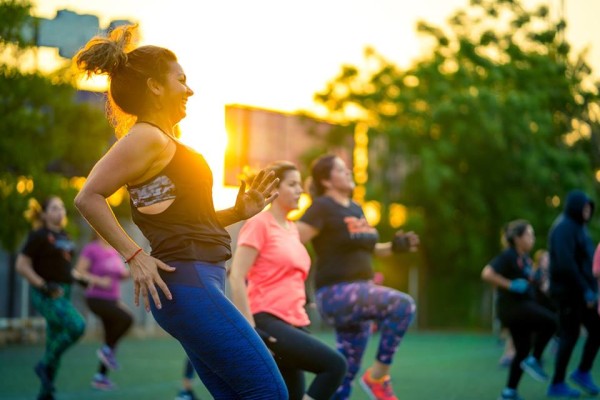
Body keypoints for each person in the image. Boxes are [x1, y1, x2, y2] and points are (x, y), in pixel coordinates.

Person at [72, 24, 287, 399]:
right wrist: (135, 256)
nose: (190, 90)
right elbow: (88, 196)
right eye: (181, 80)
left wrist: (239, 211)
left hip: (197, 284)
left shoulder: (164, 141)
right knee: (270, 393)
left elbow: (186, 223)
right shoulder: (147, 136)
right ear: (155, 87)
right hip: (190, 284)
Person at [296, 154, 418, 400]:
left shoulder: (355, 208)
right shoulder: (322, 207)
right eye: (341, 169)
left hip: (360, 296)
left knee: (343, 378)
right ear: (326, 180)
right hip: (336, 294)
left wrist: (395, 247)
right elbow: (291, 240)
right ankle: (377, 378)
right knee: (403, 305)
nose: (348, 172)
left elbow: (370, 248)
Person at [229, 161, 348, 400]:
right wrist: (252, 331)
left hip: (296, 322)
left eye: (299, 185)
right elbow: (236, 275)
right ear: (274, 189)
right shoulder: (259, 223)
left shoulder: (292, 229)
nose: (299, 190)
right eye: (292, 184)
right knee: (335, 366)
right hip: (268, 321)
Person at [15, 196, 86, 400]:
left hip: (65, 292)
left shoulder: (65, 236)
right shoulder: (38, 235)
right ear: (44, 214)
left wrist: (80, 278)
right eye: (54, 208)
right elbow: (21, 266)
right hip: (47, 294)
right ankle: (44, 364)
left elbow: (65, 268)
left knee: (54, 340)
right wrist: (44, 285)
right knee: (77, 326)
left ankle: (45, 394)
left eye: (61, 207)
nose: (60, 211)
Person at [481, 219, 558, 400]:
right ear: (517, 238)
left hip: (521, 309)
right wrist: (509, 284)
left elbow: (531, 281)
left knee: (522, 349)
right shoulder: (509, 255)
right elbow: (487, 273)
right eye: (529, 235)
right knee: (552, 321)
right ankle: (535, 358)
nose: (532, 238)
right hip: (513, 308)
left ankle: (509, 392)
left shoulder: (525, 259)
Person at [547, 189, 600, 398]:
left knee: (597, 329)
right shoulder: (563, 228)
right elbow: (565, 264)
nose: (587, 211)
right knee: (569, 335)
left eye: (589, 207)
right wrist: (585, 289)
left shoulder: (580, 229)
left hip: (583, 292)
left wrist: (592, 289)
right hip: (568, 292)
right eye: (584, 207)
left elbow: (586, 262)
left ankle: (582, 372)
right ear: (575, 206)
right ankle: (557, 383)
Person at [72, 232, 133, 391]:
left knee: (110, 337)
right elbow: (78, 272)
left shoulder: (113, 251)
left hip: (113, 299)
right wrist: (99, 281)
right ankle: (106, 351)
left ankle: (100, 377)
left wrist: (133, 270)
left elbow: (120, 275)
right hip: (96, 298)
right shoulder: (91, 249)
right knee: (127, 319)